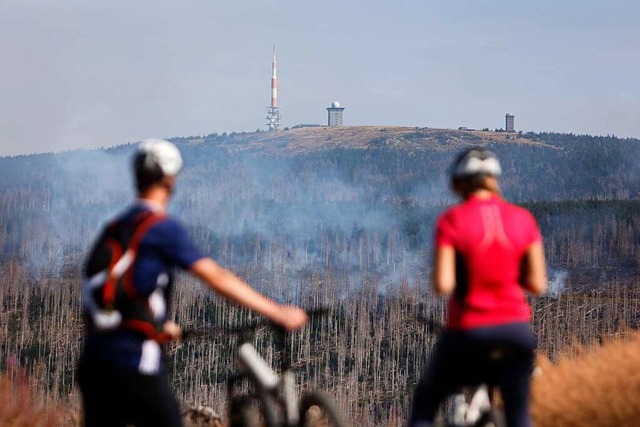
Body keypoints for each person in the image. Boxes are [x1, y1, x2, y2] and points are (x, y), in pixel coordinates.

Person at [77, 138, 308, 427]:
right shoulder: (161, 228)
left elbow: (112, 291)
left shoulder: (114, 227)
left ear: (136, 178)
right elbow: (215, 277)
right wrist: (276, 311)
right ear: (170, 181)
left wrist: (158, 326)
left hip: (95, 361)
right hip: (135, 363)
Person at [408, 147, 547, 427]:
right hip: (516, 332)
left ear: (459, 182)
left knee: (425, 401)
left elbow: (442, 283)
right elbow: (537, 283)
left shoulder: (452, 220)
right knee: (519, 416)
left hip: (468, 330)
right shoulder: (524, 219)